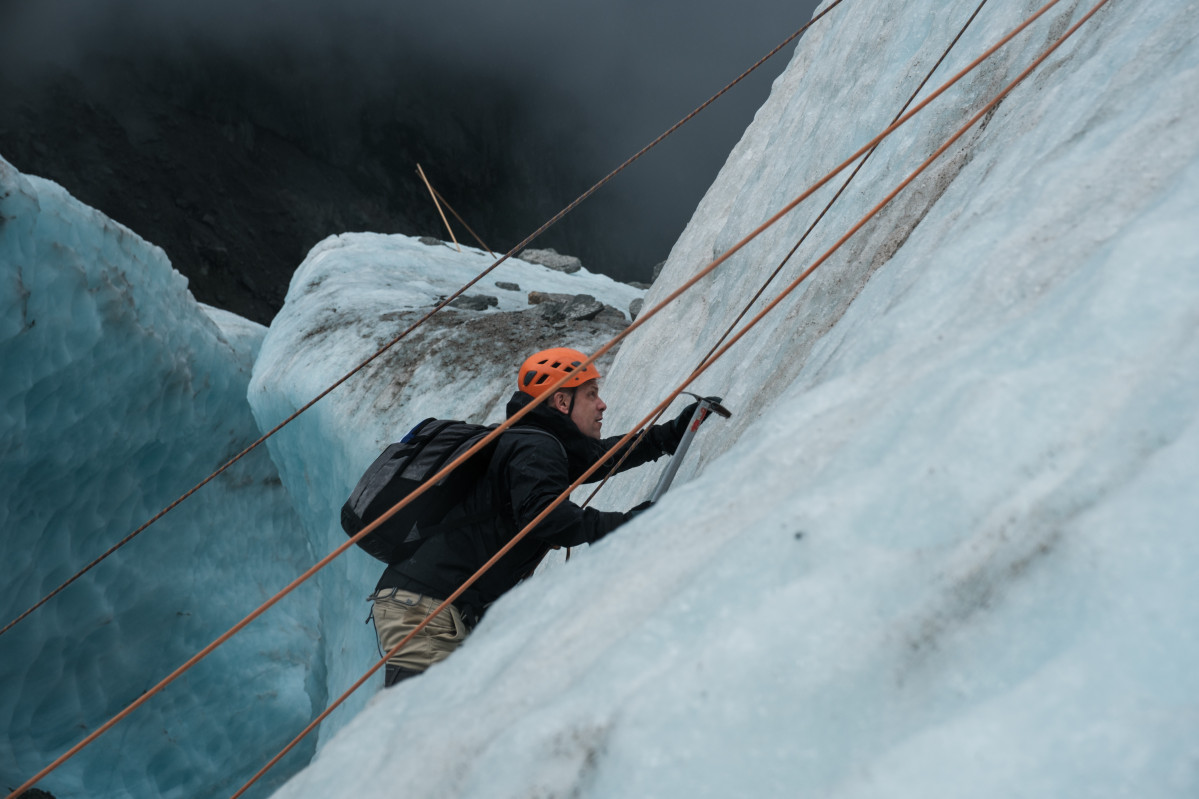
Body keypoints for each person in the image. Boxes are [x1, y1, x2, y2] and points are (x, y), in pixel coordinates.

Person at [368, 346, 704, 686]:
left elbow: (603, 458)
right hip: (427, 611)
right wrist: (626, 524)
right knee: (426, 728)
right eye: (591, 395)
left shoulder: (535, 441)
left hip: (429, 605)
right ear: (561, 402)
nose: (601, 405)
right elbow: (547, 517)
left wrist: (670, 434)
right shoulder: (534, 447)